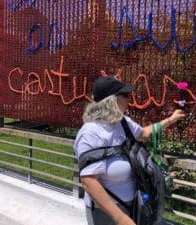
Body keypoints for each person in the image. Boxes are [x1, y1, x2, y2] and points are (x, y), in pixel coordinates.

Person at [74, 75, 186, 225]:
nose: (129, 99)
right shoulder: (91, 133)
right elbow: (89, 182)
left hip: (133, 205)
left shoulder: (122, 122)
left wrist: (171, 119)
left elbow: (144, 134)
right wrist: (121, 219)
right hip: (107, 213)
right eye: (125, 95)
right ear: (111, 101)